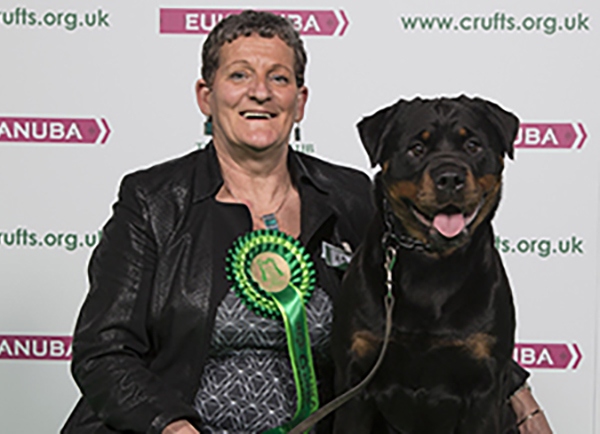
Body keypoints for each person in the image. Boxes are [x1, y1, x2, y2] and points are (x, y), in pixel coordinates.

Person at [61, 10, 552, 434]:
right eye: (239, 76)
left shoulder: (354, 197)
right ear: (205, 96)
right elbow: (103, 352)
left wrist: (523, 402)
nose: (260, 92)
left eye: (279, 78)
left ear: (300, 101)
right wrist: (172, 426)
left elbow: (437, 313)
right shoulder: (153, 200)